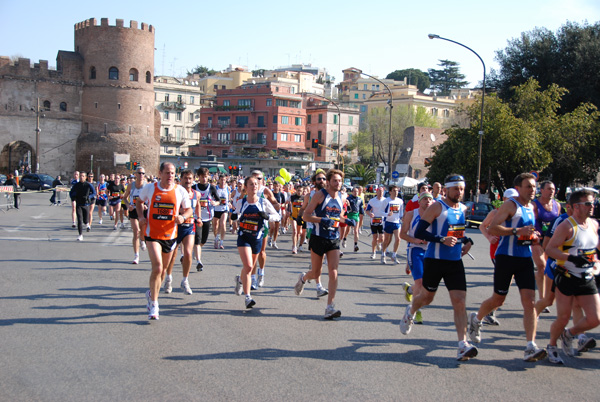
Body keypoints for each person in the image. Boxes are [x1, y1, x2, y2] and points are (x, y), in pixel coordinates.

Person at [467, 173, 547, 362]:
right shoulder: (510, 205)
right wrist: (517, 231)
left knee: (530, 302)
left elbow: (527, 232)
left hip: (524, 259)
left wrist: (533, 237)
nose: (532, 190)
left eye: (534, 187)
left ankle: (530, 346)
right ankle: (476, 318)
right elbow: (493, 227)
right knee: (498, 300)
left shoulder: (531, 207)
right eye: (528, 186)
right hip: (505, 258)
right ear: (518, 188)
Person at [399, 174, 478, 361]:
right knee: (426, 298)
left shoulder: (461, 209)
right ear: (447, 189)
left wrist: (467, 241)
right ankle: (410, 311)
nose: (459, 192)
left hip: (454, 262)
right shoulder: (437, 207)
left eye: (462, 189)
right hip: (434, 259)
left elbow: (458, 232)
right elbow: (420, 231)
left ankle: (462, 345)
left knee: (459, 301)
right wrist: (441, 239)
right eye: (456, 188)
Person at [545, 189, 600, 364]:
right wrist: (571, 258)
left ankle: (569, 334)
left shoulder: (594, 225)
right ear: (576, 206)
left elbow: (593, 251)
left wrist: (596, 263)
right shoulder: (566, 226)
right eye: (588, 204)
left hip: (586, 277)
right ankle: (552, 346)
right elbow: (550, 249)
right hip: (567, 276)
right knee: (563, 317)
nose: (592, 207)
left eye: (593, 203)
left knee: (595, 318)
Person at [137, 162, 192, 320]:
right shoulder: (150, 188)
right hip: (152, 235)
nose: (170, 176)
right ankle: (154, 304)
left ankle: (150, 293)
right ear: (160, 173)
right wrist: (141, 217)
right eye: (167, 173)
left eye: (173, 173)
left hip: (170, 236)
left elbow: (188, 209)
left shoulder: (180, 190)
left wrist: (183, 216)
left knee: (162, 273)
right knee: (158, 267)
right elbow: (139, 202)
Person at [296, 169, 354, 319]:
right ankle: (303, 278)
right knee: (316, 273)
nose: (338, 183)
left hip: (333, 238)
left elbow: (337, 215)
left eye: (340, 181)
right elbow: (306, 216)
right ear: (328, 182)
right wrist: (322, 220)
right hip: (318, 237)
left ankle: (330, 307)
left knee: (334, 271)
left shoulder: (341, 197)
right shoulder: (319, 195)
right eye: (335, 180)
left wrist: (345, 220)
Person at [234, 175, 280, 308]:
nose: (254, 186)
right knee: (249, 266)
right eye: (251, 184)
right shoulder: (241, 202)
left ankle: (239, 280)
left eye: (256, 184)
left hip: (257, 238)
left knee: (248, 267)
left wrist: (267, 217)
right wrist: (235, 216)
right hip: (244, 237)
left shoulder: (263, 202)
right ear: (246, 187)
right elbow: (236, 213)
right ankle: (248, 297)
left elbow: (277, 216)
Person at [163, 169, 202, 295]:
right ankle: (168, 278)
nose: (188, 181)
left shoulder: (196, 194)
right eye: (185, 178)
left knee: (188, 253)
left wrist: (199, 218)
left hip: (189, 226)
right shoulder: (176, 192)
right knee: (172, 255)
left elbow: (197, 206)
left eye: (190, 178)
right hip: (175, 227)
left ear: (193, 179)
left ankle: (185, 280)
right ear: (181, 179)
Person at [400, 191, 433, 324]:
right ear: (419, 202)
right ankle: (417, 311)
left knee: (426, 284)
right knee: (420, 282)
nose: (427, 202)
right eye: (425, 199)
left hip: (430, 251)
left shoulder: (435, 216)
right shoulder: (411, 214)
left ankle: (409, 289)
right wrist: (416, 240)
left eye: (430, 200)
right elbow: (402, 234)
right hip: (415, 250)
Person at [532, 180, 561, 303]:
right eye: (548, 189)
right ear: (542, 190)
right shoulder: (534, 205)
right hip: (537, 240)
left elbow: (558, 223)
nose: (551, 191)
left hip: (551, 242)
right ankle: (542, 298)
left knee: (548, 269)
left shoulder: (557, 205)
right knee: (542, 266)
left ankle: (546, 294)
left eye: (553, 189)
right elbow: (531, 222)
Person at [192, 168, 221, 271]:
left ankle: (196, 250)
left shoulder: (211, 188)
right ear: (198, 177)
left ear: (208, 176)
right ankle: (199, 261)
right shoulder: (194, 188)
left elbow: (218, 200)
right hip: (196, 217)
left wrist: (215, 203)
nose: (204, 179)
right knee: (197, 239)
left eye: (205, 176)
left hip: (208, 217)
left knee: (203, 240)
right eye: (202, 176)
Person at [123, 167, 148, 264]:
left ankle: (142, 240)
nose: (141, 175)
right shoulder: (130, 185)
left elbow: (151, 198)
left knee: (142, 231)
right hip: (133, 210)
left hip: (143, 211)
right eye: (139, 173)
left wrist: (146, 205)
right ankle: (136, 255)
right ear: (135, 174)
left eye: (143, 173)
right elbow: (125, 197)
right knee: (136, 231)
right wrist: (128, 205)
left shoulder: (147, 186)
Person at [69, 172, 96, 241]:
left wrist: (89, 197)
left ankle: (87, 224)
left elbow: (94, 193)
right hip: (79, 204)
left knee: (85, 220)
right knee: (80, 220)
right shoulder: (76, 185)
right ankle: (80, 235)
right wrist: (73, 197)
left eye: (83, 176)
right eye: (80, 176)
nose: (81, 177)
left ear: (86, 177)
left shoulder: (88, 185)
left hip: (86, 204)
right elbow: (71, 192)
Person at [381, 185, 404, 265]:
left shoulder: (400, 201)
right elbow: (381, 212)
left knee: (398, 239)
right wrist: (387, 214)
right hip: (388, 222)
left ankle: (394, 255)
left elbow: (401, 212)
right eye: (394, 190)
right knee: (387, 240)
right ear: (390, 192)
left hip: (396, 222)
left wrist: (402, 218)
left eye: (397, 190)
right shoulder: (386, 201)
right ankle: (383, 254)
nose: (396, 192)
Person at [366, 186, 386, 259]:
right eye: (379, 191)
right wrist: (370, 214)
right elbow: (367, 210)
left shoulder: (385, 200)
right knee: (374, 237)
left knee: (382, 238)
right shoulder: (372, 201)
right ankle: (373, 253)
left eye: (382, 191)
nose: (380, 193)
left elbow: (388, 211)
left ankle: (378, 243)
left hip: (382, 221)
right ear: (376, 192)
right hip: (374, 221)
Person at [212, 175, 230, 249]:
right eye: (221, 180)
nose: (223, 182)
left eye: (224, 180)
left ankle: (221, 242)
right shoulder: (215, 188)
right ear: (218, 180)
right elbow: (211, 197)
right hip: (216, 209)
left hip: (224, 209)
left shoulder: (227, 188)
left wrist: (229, 203)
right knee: (215, 225)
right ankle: (216, 238)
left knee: (223, 223)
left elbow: (229, 197)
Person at [344, 187, 364, 252]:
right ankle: (344, 238)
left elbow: (361, 207)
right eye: (355, 191)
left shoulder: (359, 199)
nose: (356, 193)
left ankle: (355, 245)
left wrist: (362, 213)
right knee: (348, 230)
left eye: (357, 191)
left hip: (356, 215)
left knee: (356, 231)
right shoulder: (349, 198)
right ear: (352, 192)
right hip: (350, 215)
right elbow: (346, 206)